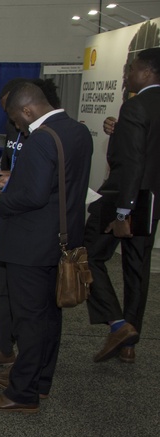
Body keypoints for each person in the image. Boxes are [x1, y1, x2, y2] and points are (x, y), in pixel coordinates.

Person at [0, 81, 92, 411]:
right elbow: (60, 183)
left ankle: (21, 392)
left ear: (28, 110)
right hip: (61, 238)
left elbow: (33, 196)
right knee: (49, 318)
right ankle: (40, 381)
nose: (15, 124)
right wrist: (18, 178)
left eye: (15, 117)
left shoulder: (40, 139)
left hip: (30, 244)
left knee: (29, 322)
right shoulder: (76, 131)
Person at [84, 47, 160, 364]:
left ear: (147, 72)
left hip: (123, 197)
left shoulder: (136, 105)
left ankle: (118, 324)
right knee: (137, 270)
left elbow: (132, 162)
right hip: (152, 198)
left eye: (132, 69)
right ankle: (129, 342)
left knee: (85, 255)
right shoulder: (143, 107)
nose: (127, 74)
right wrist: (118, 133)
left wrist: (122, 212)